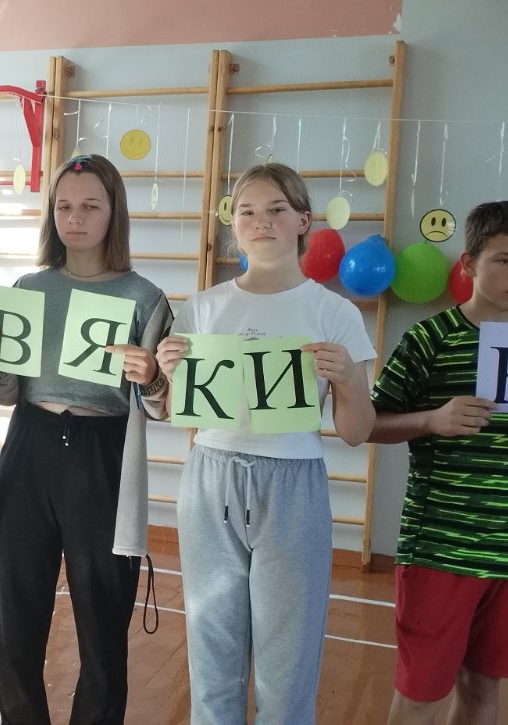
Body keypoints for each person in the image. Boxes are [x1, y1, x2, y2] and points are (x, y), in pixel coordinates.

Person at [154, 163, 375, 724]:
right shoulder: (203, 307)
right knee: (212, 642)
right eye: (247, 211)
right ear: (233, 224)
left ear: (303, 220)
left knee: (288, 653)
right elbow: (183, 411)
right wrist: (169, 371)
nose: (261, 221)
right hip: (211, 476)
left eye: (276, 209)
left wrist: (349, 379)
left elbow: (357, 431)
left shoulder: (334, 311)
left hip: (293, 481)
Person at [0, 153, 172, 724]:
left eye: (90, 206)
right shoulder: (27, 287)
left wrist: (151, 377)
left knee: (103, 627)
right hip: (29, 444)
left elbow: (161, 406)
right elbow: (6, 394)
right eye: (63, 206)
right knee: (17, 619)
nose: (75, 218)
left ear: (114, 213)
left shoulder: (145, 296)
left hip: (103, 452)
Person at [371, 201, 508, 725]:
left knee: (483, 687)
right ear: (469, 263)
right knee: (421, 693)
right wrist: (431, 419)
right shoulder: (430, 338)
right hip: (439, 545)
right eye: (505, 260)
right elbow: (369, 424)